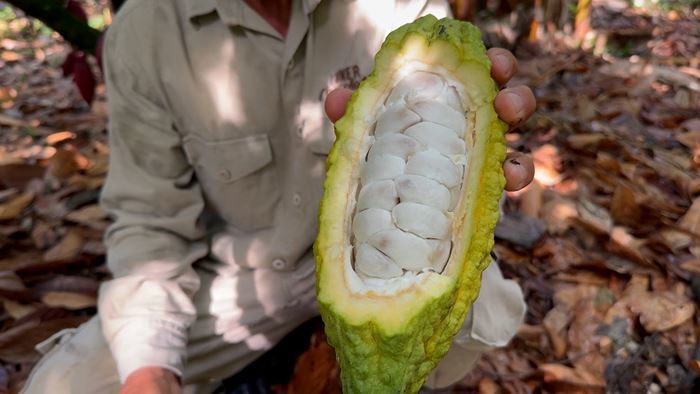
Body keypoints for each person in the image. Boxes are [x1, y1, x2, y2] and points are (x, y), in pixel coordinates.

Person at [22, 0, 536, 393]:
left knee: (479, 310)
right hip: (240, 285)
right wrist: (148, 370)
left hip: (387, 261)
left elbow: (450, 160)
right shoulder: (146, 30)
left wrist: (487, 170)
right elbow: (148, 221)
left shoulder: (402, 6)